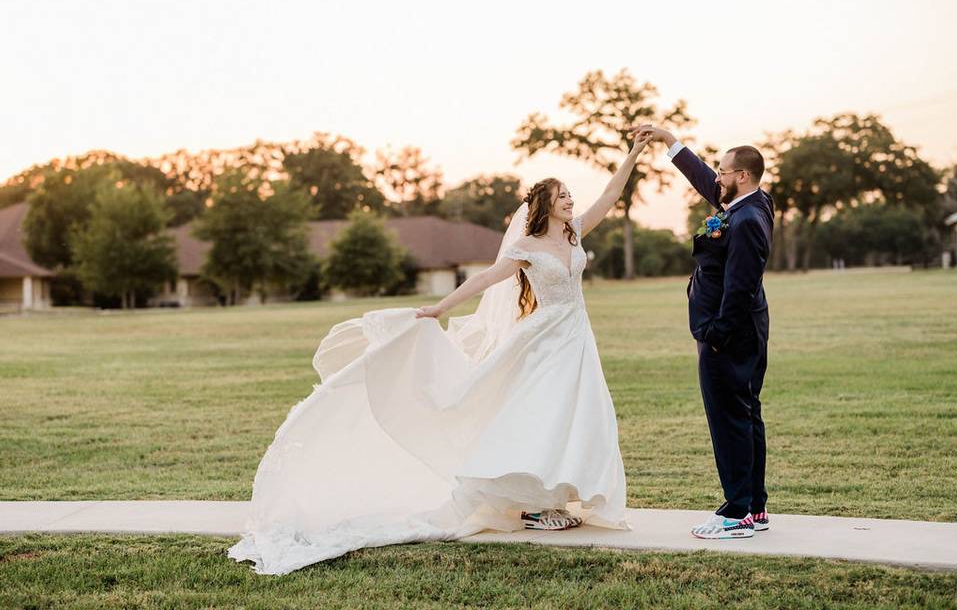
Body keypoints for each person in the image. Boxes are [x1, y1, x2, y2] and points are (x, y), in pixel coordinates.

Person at [228, 130, 652, 575]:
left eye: (570, 195)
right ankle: (531, 504)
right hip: (544, 339)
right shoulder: (526, 248)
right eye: (562, 196)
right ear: (543, 206)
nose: (570, 200)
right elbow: (485, 280)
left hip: (577, 337)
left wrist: (635, 152)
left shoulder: (575, 233)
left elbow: (610, 192)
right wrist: (440, 308)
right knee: (539, 412)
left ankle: (553, 498)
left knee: (577, 411)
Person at [636, 124, 773, 539]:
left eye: (723, 171)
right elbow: (702, 179)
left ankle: (734, 513)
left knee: (729, 420)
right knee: (746, 415)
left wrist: (715, 333)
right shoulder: (750, 203)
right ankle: (755, 507)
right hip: (743, 331)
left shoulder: (746, 219)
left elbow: (741, 285)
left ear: (742, 176)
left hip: (729, 336)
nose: (717, 176)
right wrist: (668, 140)